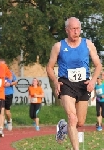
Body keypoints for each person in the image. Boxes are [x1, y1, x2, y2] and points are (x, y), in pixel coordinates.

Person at [46, 17, 102, 150]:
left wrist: (93, 80)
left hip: (84, 84)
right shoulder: (58, 46)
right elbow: (49, 67)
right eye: (73, 29)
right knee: (72, 117)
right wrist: (55, 81)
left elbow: (98, 65)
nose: (76, 31)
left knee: (80, 122)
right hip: (66, 83)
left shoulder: (88, 44)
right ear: (67, 30)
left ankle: (63, 128)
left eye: (78, 28)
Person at [0, 60, 17, 137]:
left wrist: (10, 84)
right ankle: (1, 128)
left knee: (7, 112)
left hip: (8, 93)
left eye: (3, 65)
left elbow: (16, 82)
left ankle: (9, 121)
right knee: (0, 111)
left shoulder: (10, 73)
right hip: (0, 94)